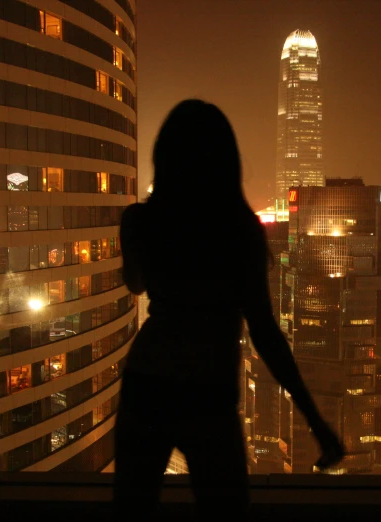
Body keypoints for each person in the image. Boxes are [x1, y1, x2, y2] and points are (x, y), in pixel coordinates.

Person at [114, 99, 344, 520]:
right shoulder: (239, 231)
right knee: (227, 514)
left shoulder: (140, 221)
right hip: (209, 387)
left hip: (148, 381)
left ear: (163, 157)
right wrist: (315, 419)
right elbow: (265, 333)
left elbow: (136, 284)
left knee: (133, 511)